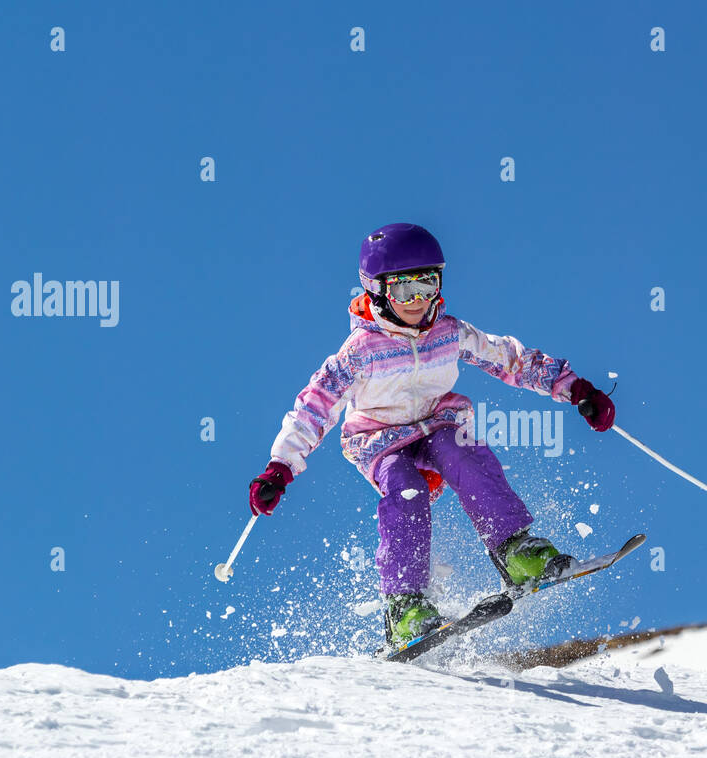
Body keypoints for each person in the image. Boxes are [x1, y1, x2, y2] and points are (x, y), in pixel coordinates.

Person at [248, 223, 615, 647]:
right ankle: (405, 605)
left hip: (437, 424)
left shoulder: (449, 333)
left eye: (428, 285)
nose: (418, 301)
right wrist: (280, 467)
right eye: (405, 291)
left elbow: (510, 360)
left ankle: (515, 549)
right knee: (405, 490)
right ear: (376, 291)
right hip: (379, 439)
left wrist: (575, 389)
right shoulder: (360, 350)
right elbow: (314, 407)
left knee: (466, 455)